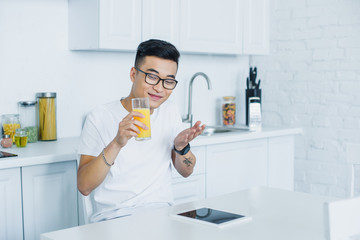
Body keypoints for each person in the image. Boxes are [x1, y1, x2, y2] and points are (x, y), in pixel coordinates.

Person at [77, 39, 205, 223]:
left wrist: (181, 147)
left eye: (168, 81)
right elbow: (84, 186)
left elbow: (187, 172)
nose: (159, 88)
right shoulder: (100, 116)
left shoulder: (170, 111)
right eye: (152, 77)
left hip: (163, 217)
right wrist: (117, 143)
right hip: (115, 219)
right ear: (133, 74)